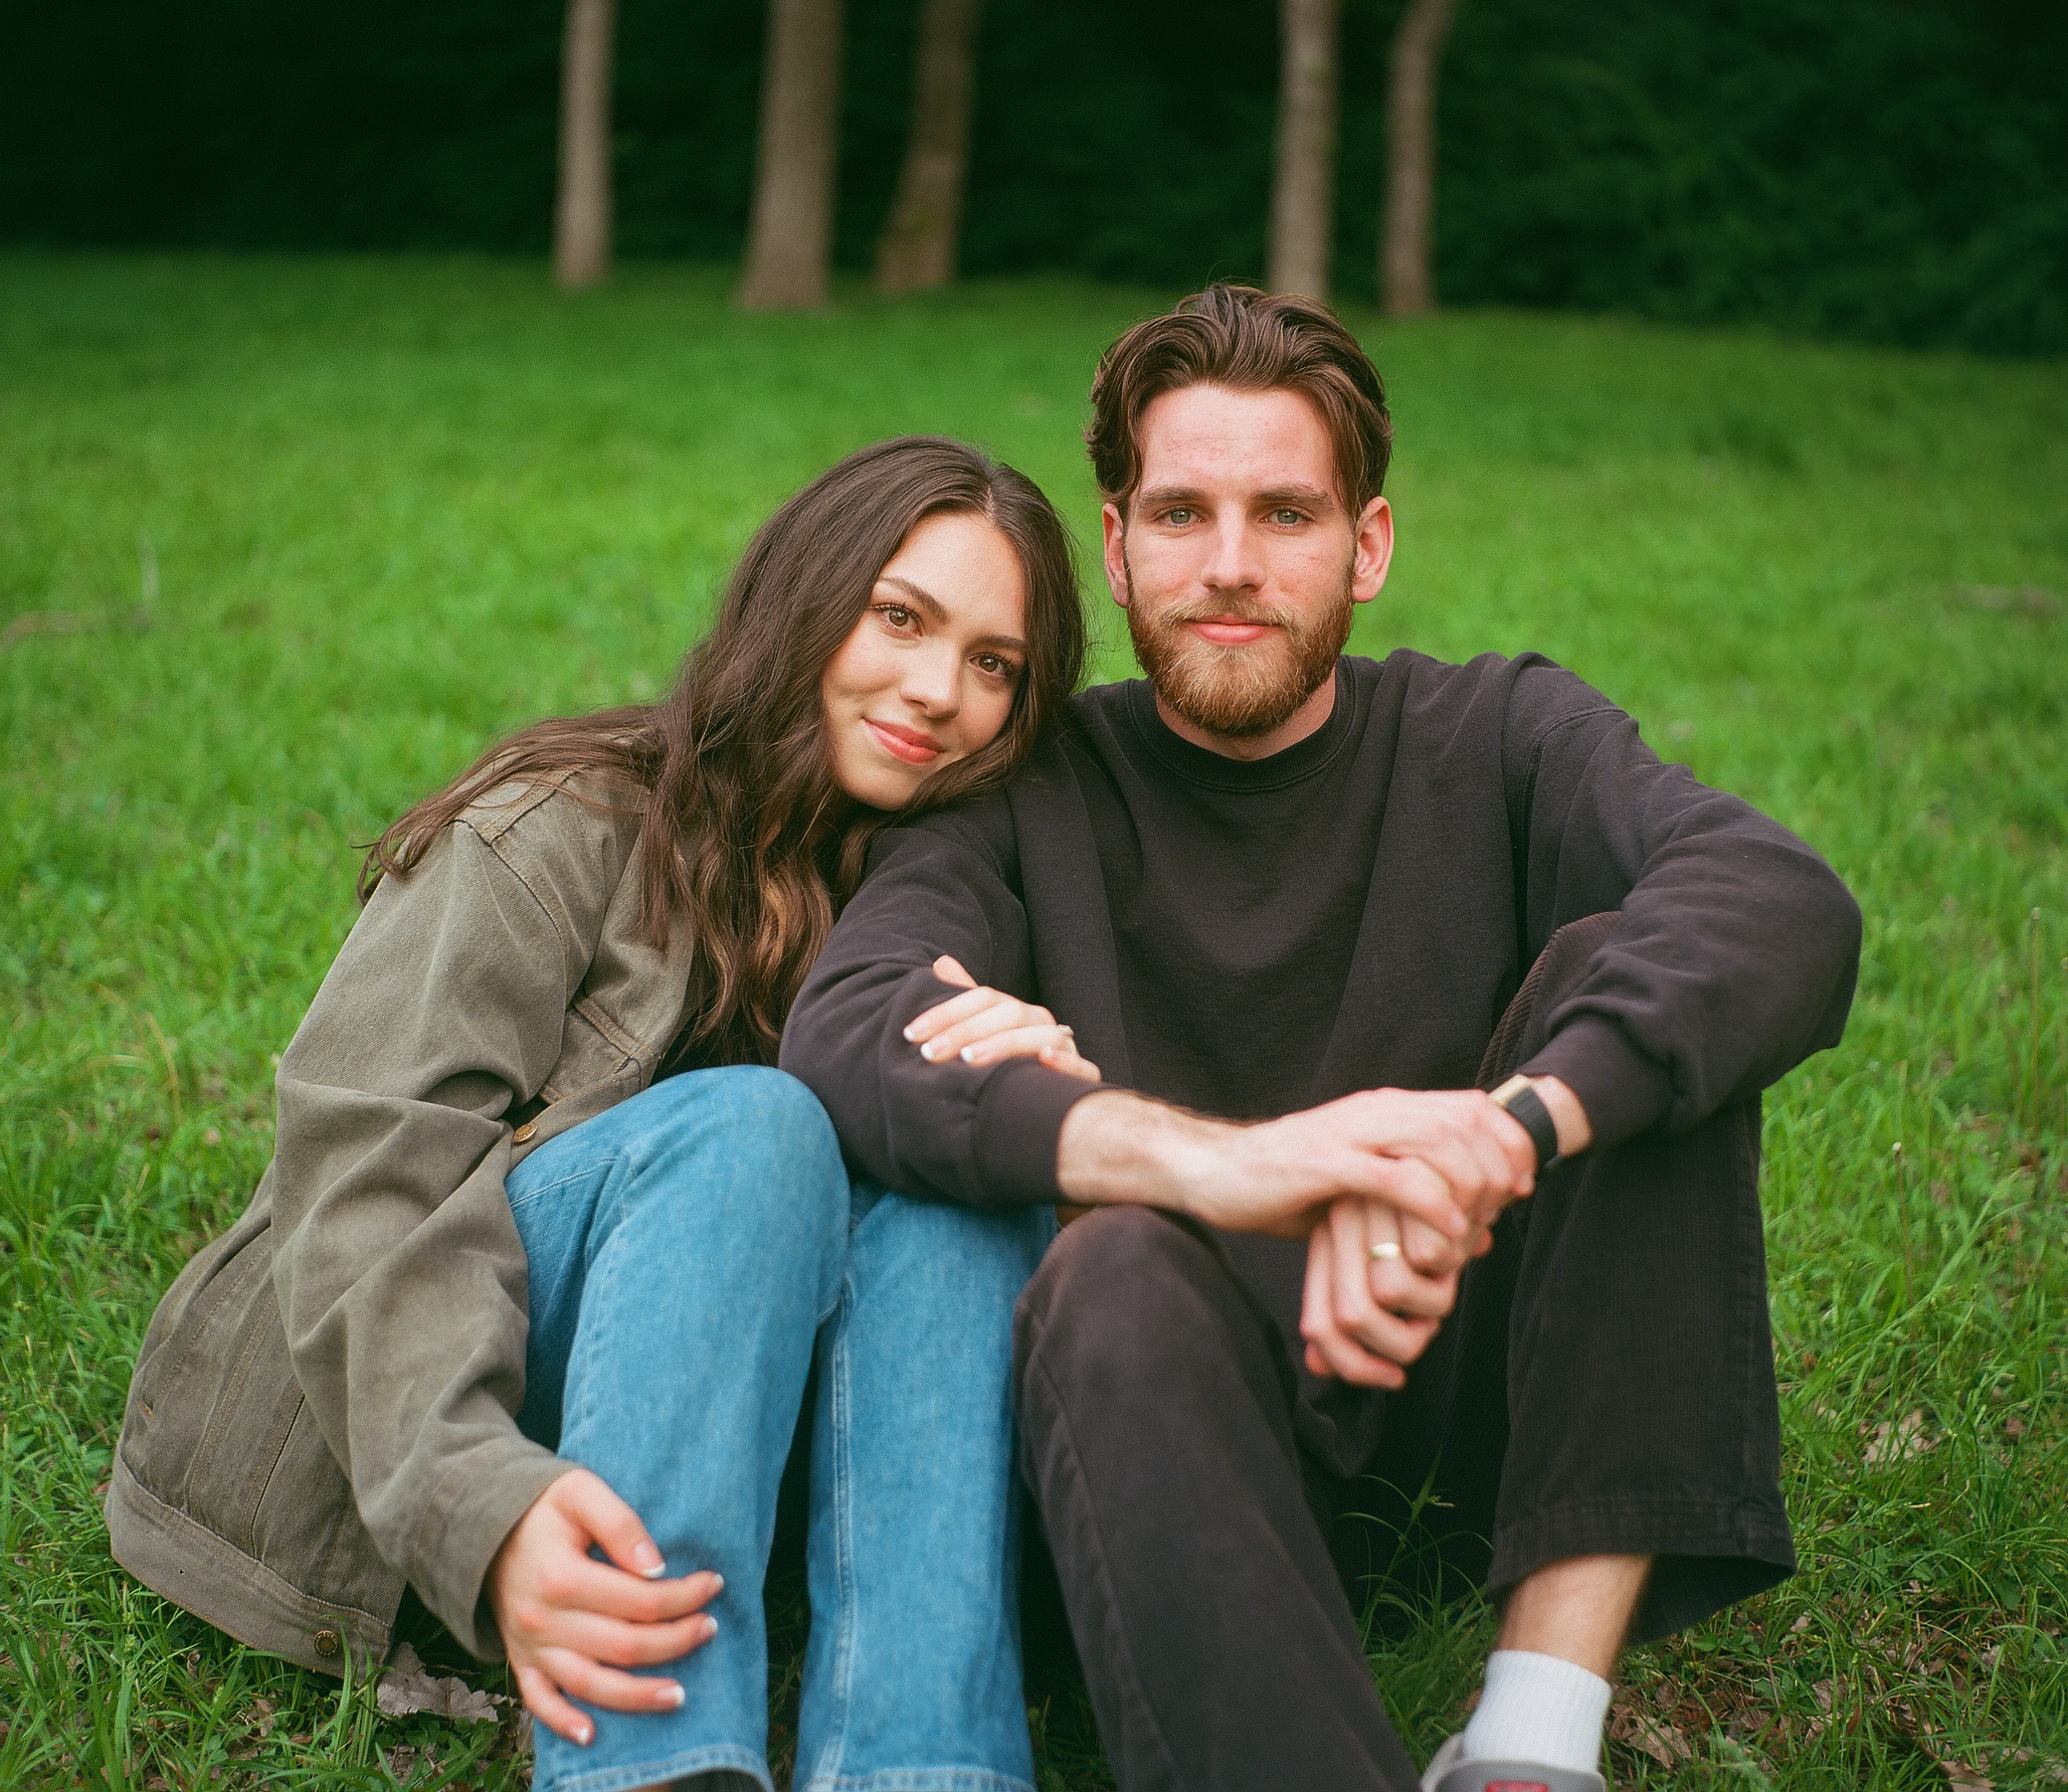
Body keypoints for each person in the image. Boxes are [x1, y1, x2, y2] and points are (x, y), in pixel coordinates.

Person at [780, 287, 1863, 1792]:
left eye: (1285, 514)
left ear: (1367, 547)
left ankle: (1532, 1739)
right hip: (1153, 1440)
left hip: (1458, 1397)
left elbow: (1780, 901)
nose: (1230, 567)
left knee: (1638, 987)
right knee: (1104, 1264)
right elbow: (849, 1024)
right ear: (1117, 545)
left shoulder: (1495, 738)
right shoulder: (1032, 788)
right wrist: (1234, 1168)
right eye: (1183, 514)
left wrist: (1507, 1133)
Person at [107, 436, 1099, 1792]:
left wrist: (1026, 1086)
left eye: (996, 663)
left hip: (722, 1402)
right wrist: (480, 1503)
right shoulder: (558, 826)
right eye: (903, 618)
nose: (940, 691)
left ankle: (923, 1766)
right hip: (429, 1407)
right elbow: (364, 1179)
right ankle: (654, 1761)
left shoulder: (958, 900)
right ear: (805, 600)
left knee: (950, 1179)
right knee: (751, 1127)